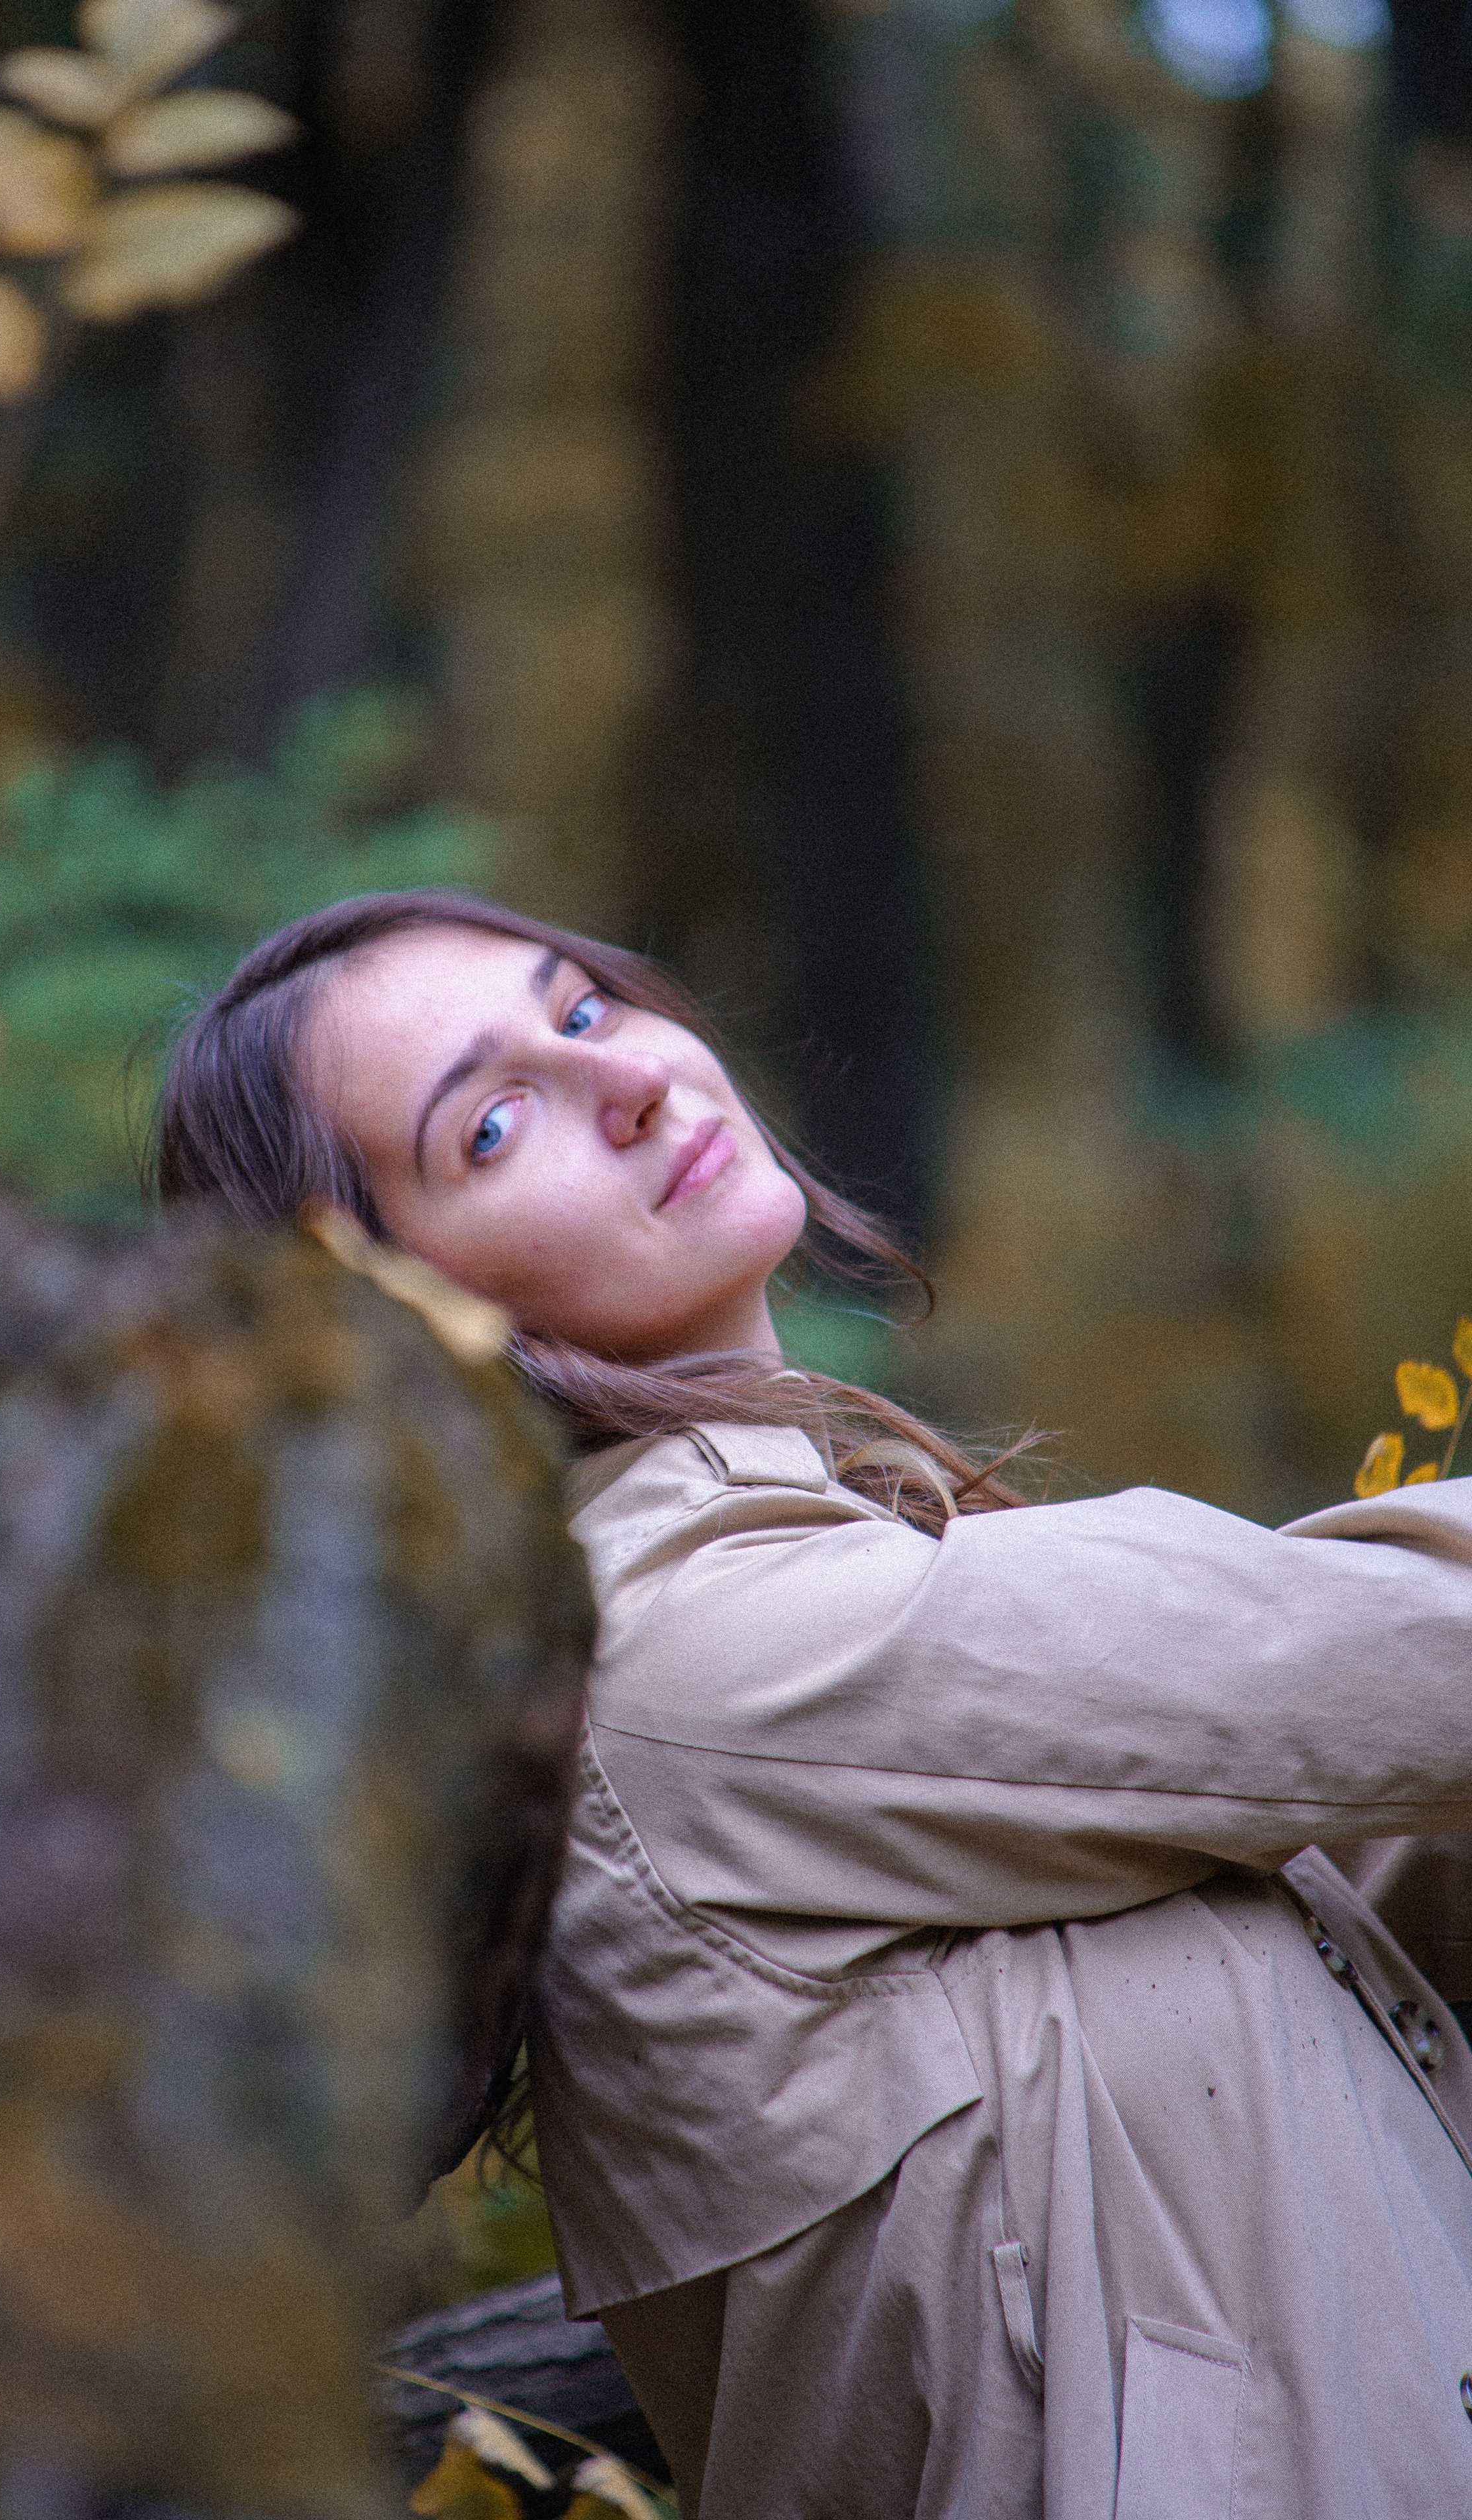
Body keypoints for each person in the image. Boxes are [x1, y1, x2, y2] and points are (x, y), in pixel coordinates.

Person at [153, 889, 1472, 2520]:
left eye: (580, 1011)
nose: (624, 1081)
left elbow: (1321, 1910)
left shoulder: (811, 1578)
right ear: (407, 1331)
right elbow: (1398, 1656)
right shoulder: (676, 1658)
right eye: (489, 1126)